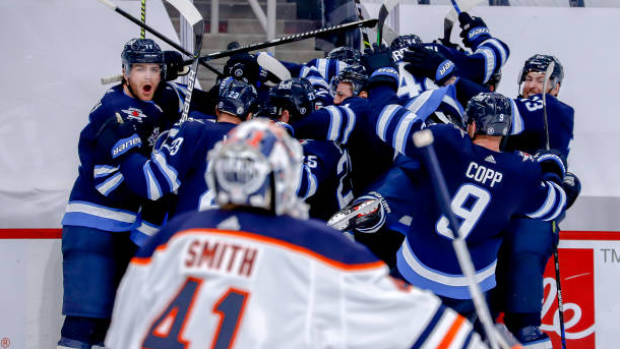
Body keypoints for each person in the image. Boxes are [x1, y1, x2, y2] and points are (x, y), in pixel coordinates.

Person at [105, 119, 489, 349]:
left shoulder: (168, 239)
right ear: (284, 174)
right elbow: (432, 329)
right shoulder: (314, 246)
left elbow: (123, 333)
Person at [371, 90, 567, 323]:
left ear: (472, 125)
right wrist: (552, 170)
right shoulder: (521, 172)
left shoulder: (445, 141)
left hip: (415, 268)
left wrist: (386, 86)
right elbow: (555, 206)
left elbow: (386, 120)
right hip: (469, 285)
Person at [58, 38, 183, 349]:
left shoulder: (148, 105)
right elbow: (147, 182)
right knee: (84, 324)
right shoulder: (116, 112)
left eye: (155, 69)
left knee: (111, 329)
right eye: (140, 69)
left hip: (124, 227)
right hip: (93, 225)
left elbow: (170, 111)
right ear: (125, 71)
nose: (149, 77)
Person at [490, 54, 578, 348]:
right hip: (498, 210)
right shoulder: (506, 113)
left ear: (555, 87)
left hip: (531, 212)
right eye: (528, 78)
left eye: (540, 80)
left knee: (528, 247)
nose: (531, 85)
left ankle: (526, 329)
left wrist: (454, 75)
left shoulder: (554, 109)